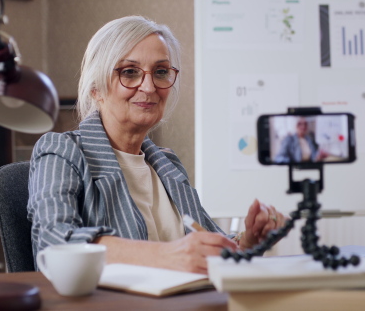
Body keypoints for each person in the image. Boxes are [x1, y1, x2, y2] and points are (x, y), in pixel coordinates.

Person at [27, 16, 287, 274]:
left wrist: (250, 242)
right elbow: (54, 243)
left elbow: (208, 246)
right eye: (129, 72)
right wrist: (166, 254)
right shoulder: (61, 152)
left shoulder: (167, 163)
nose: (149, 87)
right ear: (96, 88)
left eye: (160, 72)